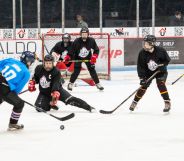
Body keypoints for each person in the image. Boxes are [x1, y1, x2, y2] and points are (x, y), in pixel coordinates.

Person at [28, 54, 95, 112]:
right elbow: (36, 78)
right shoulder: (38, 68)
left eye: (50, 63)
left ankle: (88, 107)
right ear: (44, 63)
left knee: (70, 100)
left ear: (52, 63)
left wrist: (55, 92)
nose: (48, 65)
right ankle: (51, 103)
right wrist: (33, 82)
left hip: (58, 91)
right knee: (39, 108)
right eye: (46, 63)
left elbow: (56, 84)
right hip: (44, 93)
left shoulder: (56, 71)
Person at [129, 35, 171, 113]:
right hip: (148, 73)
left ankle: (167, 102)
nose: (144, 45)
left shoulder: (161, 50)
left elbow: (167, 60)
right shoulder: (142, 53)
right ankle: (134, 102)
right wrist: (142, 78)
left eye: (146, 43)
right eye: (144, 43)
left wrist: (162, 65)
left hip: (160, 72)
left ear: (152, 43)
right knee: (143, 86)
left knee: (160, 84)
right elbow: (140, 67)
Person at [0, 51, 35, 130]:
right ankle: (13, 123)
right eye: (31, 61)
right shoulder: (26, 73)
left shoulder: (11, 60)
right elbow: (17, 90)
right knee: (19, 104)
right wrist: (12, 96)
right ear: (28, 61)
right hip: (4, 87)